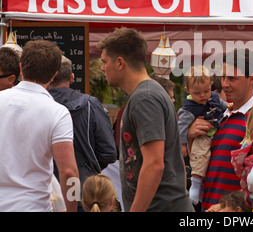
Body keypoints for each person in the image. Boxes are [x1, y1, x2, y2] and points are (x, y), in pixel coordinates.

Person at [97, 27, 193, 212]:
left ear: (119, 63)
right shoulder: (146, 94)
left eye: (104, 61)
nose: (102, 67)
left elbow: (154, 165)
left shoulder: (145, 98)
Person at [0, 40, 79, 212]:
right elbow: (70, 173)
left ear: (21, 68)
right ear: (54, 75)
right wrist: (73, 208)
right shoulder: (58, 112)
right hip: (34, 206)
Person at [188, 48, 253, 211]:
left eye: (232, 78)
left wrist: (229, 205)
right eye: (223, 77)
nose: (225, 84)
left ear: (251, 79)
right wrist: (191, 136)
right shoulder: (217, 115)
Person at [48, 55, 117, 209]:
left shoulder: (38, 105)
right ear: (72, 78)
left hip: (46, 188)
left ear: (49, 77)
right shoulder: (91, 105)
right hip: (85, 189)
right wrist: (86, 168)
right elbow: (109, 152)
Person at [178, 65, 229, 205]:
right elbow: (181, 127)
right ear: (188, 91)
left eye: (206, 91)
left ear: (211, 86)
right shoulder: (188, 108)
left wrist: (228, 106)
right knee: (200, 155)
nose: (202, 96)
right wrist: (183, 143)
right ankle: (196, 184)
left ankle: (199, 186)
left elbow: (220, 103)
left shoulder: (212, 96)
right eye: (197, 93)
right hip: (203, 135)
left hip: (216, 129)